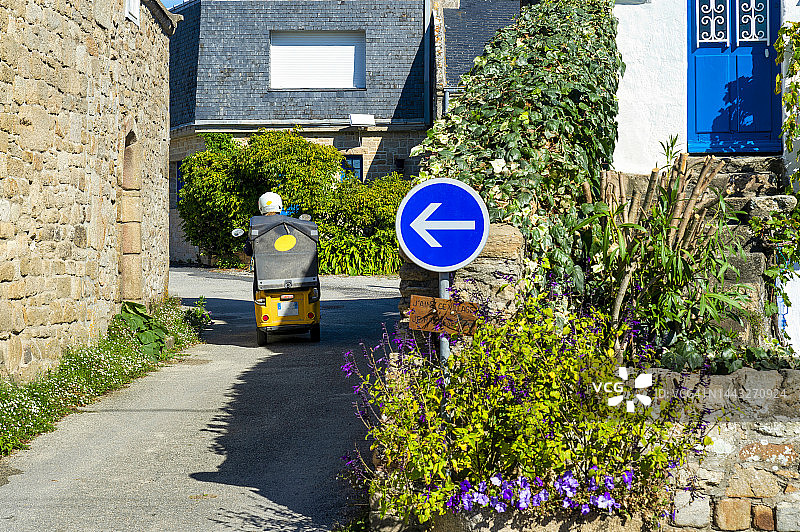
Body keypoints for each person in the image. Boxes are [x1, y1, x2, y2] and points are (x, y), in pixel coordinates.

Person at [243, 192, 282, 257]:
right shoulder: (288, 225)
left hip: (262, 265)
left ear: (261, 206)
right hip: (288, 265)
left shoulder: (257, 226)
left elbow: (248, 251)